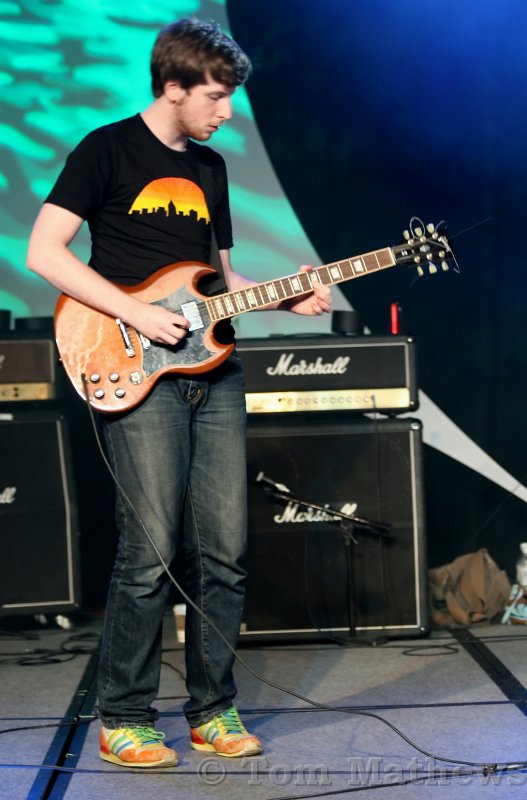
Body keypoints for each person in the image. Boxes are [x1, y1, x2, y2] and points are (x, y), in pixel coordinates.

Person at [27, 18, 331, 768]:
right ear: (173, 86)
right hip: (136, 369)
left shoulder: (211, 168)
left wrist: (283, 296)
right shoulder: (104, 149)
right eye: (216, 96)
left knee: (224, 550)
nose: (226, 112)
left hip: (215, 373)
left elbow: (217, 280)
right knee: (150, 552)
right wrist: (135, 314)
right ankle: (124, 717)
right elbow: (43, 252)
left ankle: (213, 710)